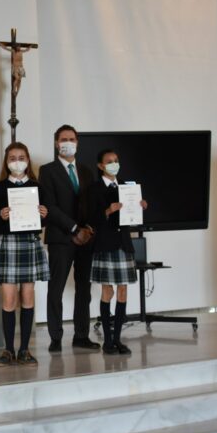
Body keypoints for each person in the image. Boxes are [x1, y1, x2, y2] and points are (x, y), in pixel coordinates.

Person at [0, 142, 49, 367]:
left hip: (30, 243)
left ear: (27, 159)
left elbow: (43, 219)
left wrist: (44, 214)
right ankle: (8, 350)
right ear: (6, 162)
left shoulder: (36, 186)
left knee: (27, 297)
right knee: (9, 299)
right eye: (12, 157)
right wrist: (0, 216)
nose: (17, 161)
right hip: (9, 244)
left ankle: (24, 349)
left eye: (21, 157)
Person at [39, 125, 98, 353]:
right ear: (56, 143)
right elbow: (50, 206)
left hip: (86, 239)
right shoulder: (47, 170)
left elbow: (94, 203)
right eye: (63, 139)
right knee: (56, 288)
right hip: (61, 238)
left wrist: (88, 229)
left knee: (84, 289)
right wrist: (74, 229)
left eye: (72, 139)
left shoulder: (86, 170)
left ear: (77, 142)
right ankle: (56, 337)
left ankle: (81, 335)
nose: (68, 142)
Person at [88, 149, 148, 355]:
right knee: (108, 291)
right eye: (109, 161)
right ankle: (107, 341)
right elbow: (89, 218)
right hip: (105, 245)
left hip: (124, 244)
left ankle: (117, 339)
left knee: (123, 291)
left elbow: (134, 217)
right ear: (100, 166)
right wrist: (107, 210)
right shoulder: (94, 189)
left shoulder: (127, 187)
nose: (114, 164)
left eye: (116, 161)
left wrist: (140, 207)